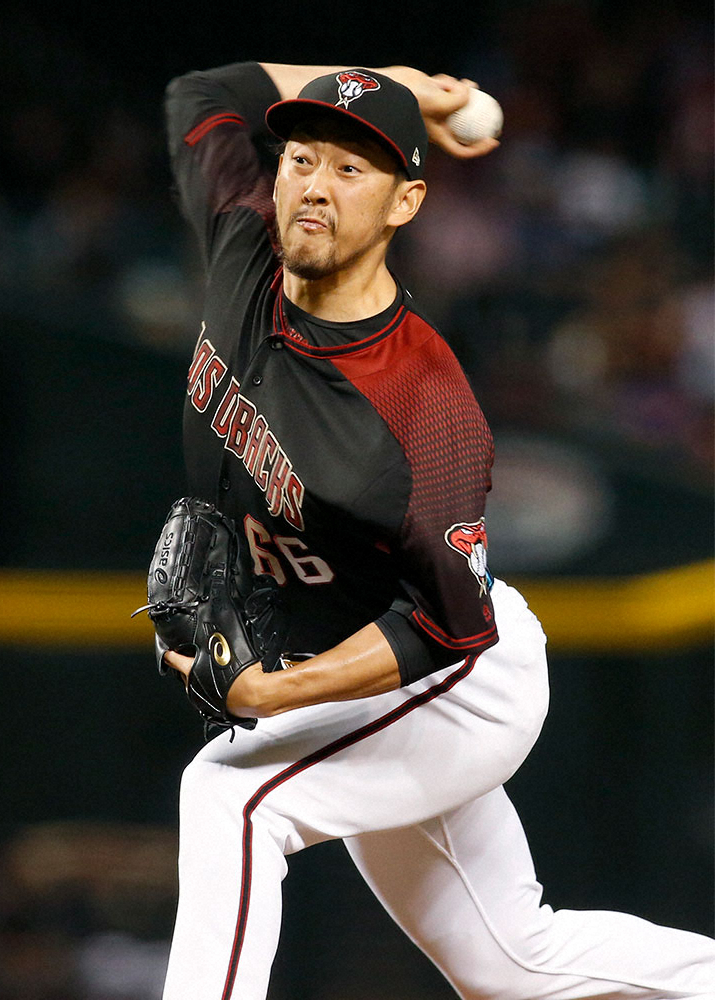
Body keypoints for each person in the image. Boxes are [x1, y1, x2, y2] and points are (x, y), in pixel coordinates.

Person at [159, 61, 715, 999]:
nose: (314, 185)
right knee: (510, 964)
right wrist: (417, 87)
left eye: (352, 170)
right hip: (358, 666)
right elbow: (202, 95)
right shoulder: (242, 248)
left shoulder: (424, 405)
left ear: (406, 202)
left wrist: (273, 689)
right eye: (301, 157)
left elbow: (446, 626)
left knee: (230, 796)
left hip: (457, 684)